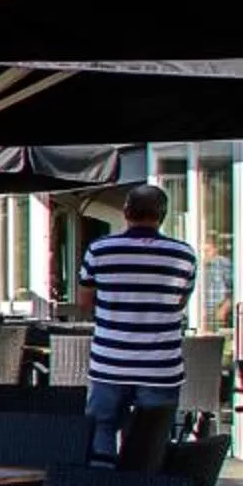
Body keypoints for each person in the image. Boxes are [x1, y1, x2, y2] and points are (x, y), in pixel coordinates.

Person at [78, 183, 199, 466]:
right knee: (150, 439)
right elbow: (180, 302)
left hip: (110, 362)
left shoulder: (100, 250)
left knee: (102, 428)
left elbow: (85, 302)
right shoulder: (183, 254)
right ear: (162, 215)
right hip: (160, 364)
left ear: (126, 212)